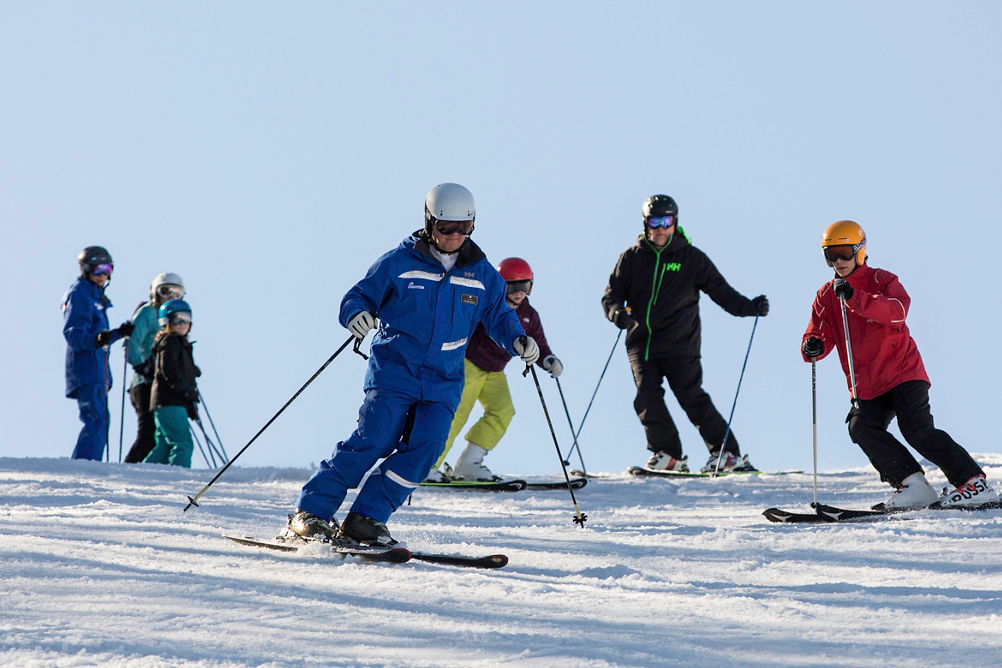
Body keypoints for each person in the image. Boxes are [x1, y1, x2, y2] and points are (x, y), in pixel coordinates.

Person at [287, 183, 536, 547]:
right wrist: (356, 314)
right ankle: (311, 511)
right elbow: (358, 296)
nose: (455, 236)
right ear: (429, 222)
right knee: (374, 440)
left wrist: (517, 339)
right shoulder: (399, 263)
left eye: (464, 228)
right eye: (446, 227)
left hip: (444, 381)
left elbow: (500, 316)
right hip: (395, 372)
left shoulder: (481, 274)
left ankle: (367, 517)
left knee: (426, 450)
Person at [802, 220, 997, 509]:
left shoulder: (881, 280)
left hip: (903, 372)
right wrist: (813, 344)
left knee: (916, 429)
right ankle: (913, 485)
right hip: (868, 385)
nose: (838, 261)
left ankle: (973, 482)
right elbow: (818, 333)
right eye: (830, 255)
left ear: (859, 251)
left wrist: (855, 298)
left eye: (843, 253)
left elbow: (897, 311)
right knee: (860, 426)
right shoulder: (826, 295)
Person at [601, 195, 768, 473]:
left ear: (675, 223)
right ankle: (669, 456)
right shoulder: (631, 258)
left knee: (691, 396)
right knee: (646, 397)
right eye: (655, 221)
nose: (660, 228)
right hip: (641, 343)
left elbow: (721, 292)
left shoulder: (690, 258)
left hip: (680, 343)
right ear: (645, 224)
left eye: (666, 221)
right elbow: (611, 296)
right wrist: (617, 313)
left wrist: (750, 307)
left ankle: (727, 455)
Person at [425, 257, 562, 482]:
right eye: (514, 287)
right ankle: (428, 464)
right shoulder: (488, 304)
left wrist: (548, 359)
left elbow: (538, 343)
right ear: (501, 285)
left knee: (503, 410)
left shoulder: (529, 315)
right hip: (468, 365)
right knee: (456, 413)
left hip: (495, 371)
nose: (520, 293)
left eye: (525, 286)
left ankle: (469, 464)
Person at [62, 246, 134, 461]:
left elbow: (100, 337)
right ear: (86, 268)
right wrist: (97, 339)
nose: (104, 275)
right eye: (99, 269)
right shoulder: (79, 294)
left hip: (98, 370)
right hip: (86, 369)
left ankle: (89, 463)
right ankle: (84, 465)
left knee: (101, 421)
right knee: (96, 420)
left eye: (108, 269)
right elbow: (73, 333)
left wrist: (118, 333)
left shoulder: (95, 296)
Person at [124, 273, 186, 463]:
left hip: (162, 385)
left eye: (176, 293)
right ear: (155, 293)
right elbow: (132, 342)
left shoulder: (174, 319)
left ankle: (153, 471)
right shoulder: (149, 312)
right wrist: (141, 365)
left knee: (162, 436)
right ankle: (128, 471)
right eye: (166, 291)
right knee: (148, 434)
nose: (170, 297)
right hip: (145, 382)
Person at [144, 299, 200, 467]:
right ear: (166, 321)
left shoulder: (179, 343)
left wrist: (191, 371)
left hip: (166, 402)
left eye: (186, 318)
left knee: (164, 446)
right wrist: (186, 392)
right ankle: (179, 477)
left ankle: (140, 474)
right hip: (170, 400)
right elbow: (169, 370)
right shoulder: (170, 341)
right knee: (183, 443)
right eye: (177, 319)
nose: (183, 323)